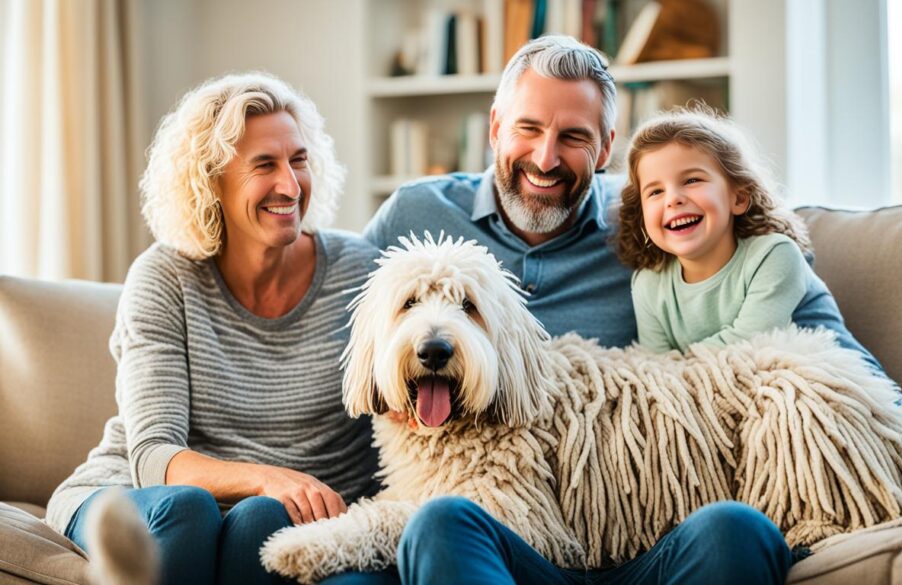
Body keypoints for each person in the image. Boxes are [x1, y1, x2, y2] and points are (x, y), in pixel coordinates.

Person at [365, 35, 793, 585]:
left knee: (736, 529)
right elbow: (338, 315)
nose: (546, 158)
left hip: (645, 542)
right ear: (495, 126)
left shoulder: (655, 221)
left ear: (608, 143)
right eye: (528, 128)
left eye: (573, 137)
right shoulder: (416, 212)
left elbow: (785, 307)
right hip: (509, 546)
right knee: (441, 522)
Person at [46, 72, 384, 585]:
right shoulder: (165, 278)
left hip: (284, 517)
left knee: (262, 521)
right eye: (264, 166)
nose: (290, 186)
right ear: (211, 182)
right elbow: (153, 456)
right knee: (191, 510)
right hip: (140, 496)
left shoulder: (360, 273)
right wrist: (266, 478)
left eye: (298, 160)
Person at [616, 106, 902, 433]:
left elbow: (748, 342)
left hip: (839, 399)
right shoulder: (648, 284)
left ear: (739, 197)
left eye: (692, 180)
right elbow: (655, 365)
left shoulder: (775, 254)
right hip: (745, 407)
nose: (673, 199)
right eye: (655, 191)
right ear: (641, 215)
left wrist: (676, 369)